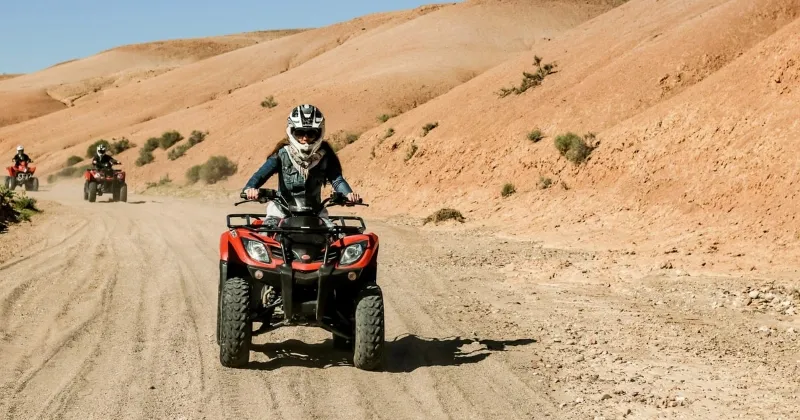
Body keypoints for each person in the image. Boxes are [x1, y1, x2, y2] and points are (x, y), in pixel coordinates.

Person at [243, 104, 360, 221]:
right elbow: (260, 176)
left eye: (311, 133)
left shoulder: (325, 157)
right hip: (281, 213)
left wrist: (348, 194)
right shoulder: (282, 154)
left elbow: (337, 180)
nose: (305, 138)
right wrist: (250, 189)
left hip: (315, 213)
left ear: (319, 133)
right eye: (300, 132)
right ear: (292, 131)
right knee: (266, 235)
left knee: (334, 235)